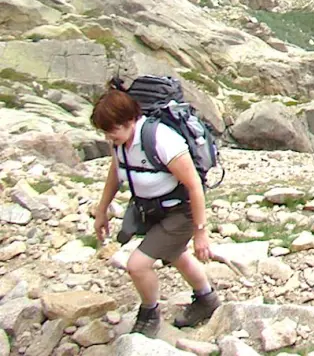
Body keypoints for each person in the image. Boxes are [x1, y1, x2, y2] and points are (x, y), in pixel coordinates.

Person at [90, 85, 220, 338]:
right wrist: (101, 210)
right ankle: (207, 299)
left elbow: (194, 185)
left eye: (111, 130)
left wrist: (200, 233)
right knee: (175, 254)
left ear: (129, 120)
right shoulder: (120, 142)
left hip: (181, 212)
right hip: (153, 210)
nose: (108, 137)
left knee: (137, 265)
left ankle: (149, 313)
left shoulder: (161, 139)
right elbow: (116, 173)